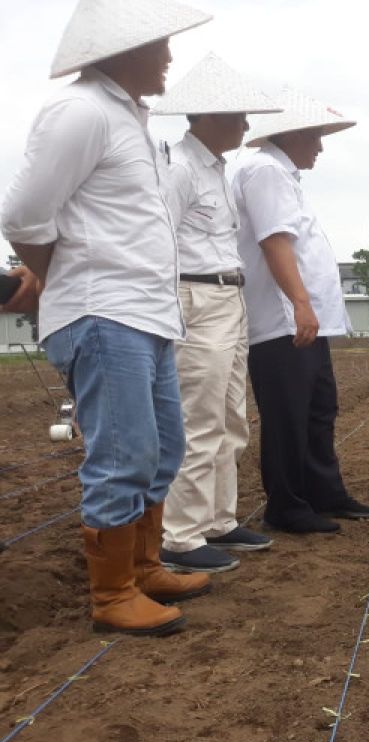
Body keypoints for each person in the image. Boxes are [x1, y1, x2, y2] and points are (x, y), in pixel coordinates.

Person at [0, 0, 214, 636]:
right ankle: (112, 592)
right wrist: (46, 273)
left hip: (145, 313)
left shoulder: (130, 121)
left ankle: (144, 566)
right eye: (161, 44)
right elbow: (24, 213)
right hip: (102, 310)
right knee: (124, 452)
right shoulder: (81, 111)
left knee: (163, 447)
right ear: (123, 51)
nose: (170, 55)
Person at [152, 53, 279, 573]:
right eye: (238, 115)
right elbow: (158, 240)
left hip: (229, 298)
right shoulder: (178, 169)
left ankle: (219, 521)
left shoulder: (218, 172)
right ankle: (180, 537)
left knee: (230, 417)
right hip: (195, 300)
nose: (247, 125)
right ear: (206, 116)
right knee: (199, 419)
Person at [232, 87, 369, 531]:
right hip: (282, 321)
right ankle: (287, 504)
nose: (320, 145)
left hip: (301, 318)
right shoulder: (264, 171)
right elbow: (274, 240)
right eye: (315, 135)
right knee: (288, 415)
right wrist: (299, 302)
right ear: (291, 134)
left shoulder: (281, 175)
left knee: (317, 409)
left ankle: (322, 492)